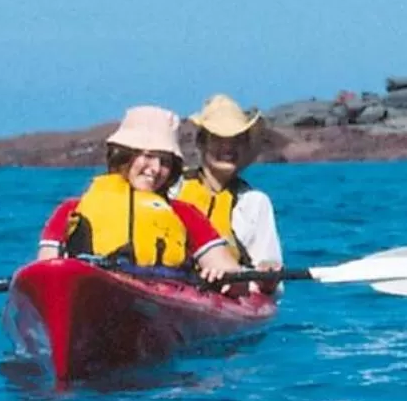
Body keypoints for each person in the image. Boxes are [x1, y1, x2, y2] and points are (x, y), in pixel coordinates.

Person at [40, 106, 238, 282]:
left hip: (163, 299)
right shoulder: (70, 211)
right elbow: (45, 270)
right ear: (124, 155)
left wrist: (222, 275)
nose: (156, 169)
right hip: (92, 290)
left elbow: (233, 275)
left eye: (165, 162)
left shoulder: (185, 214)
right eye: (148, 156)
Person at [173, 94, 284, 279]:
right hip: (174, 280)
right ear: (201, 142)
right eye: (218, 138)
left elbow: (274, 286)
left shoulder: (255, 203)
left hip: (230, 289)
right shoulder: (174, 188)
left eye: (237, 140)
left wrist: (267, 274)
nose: (228, 147)